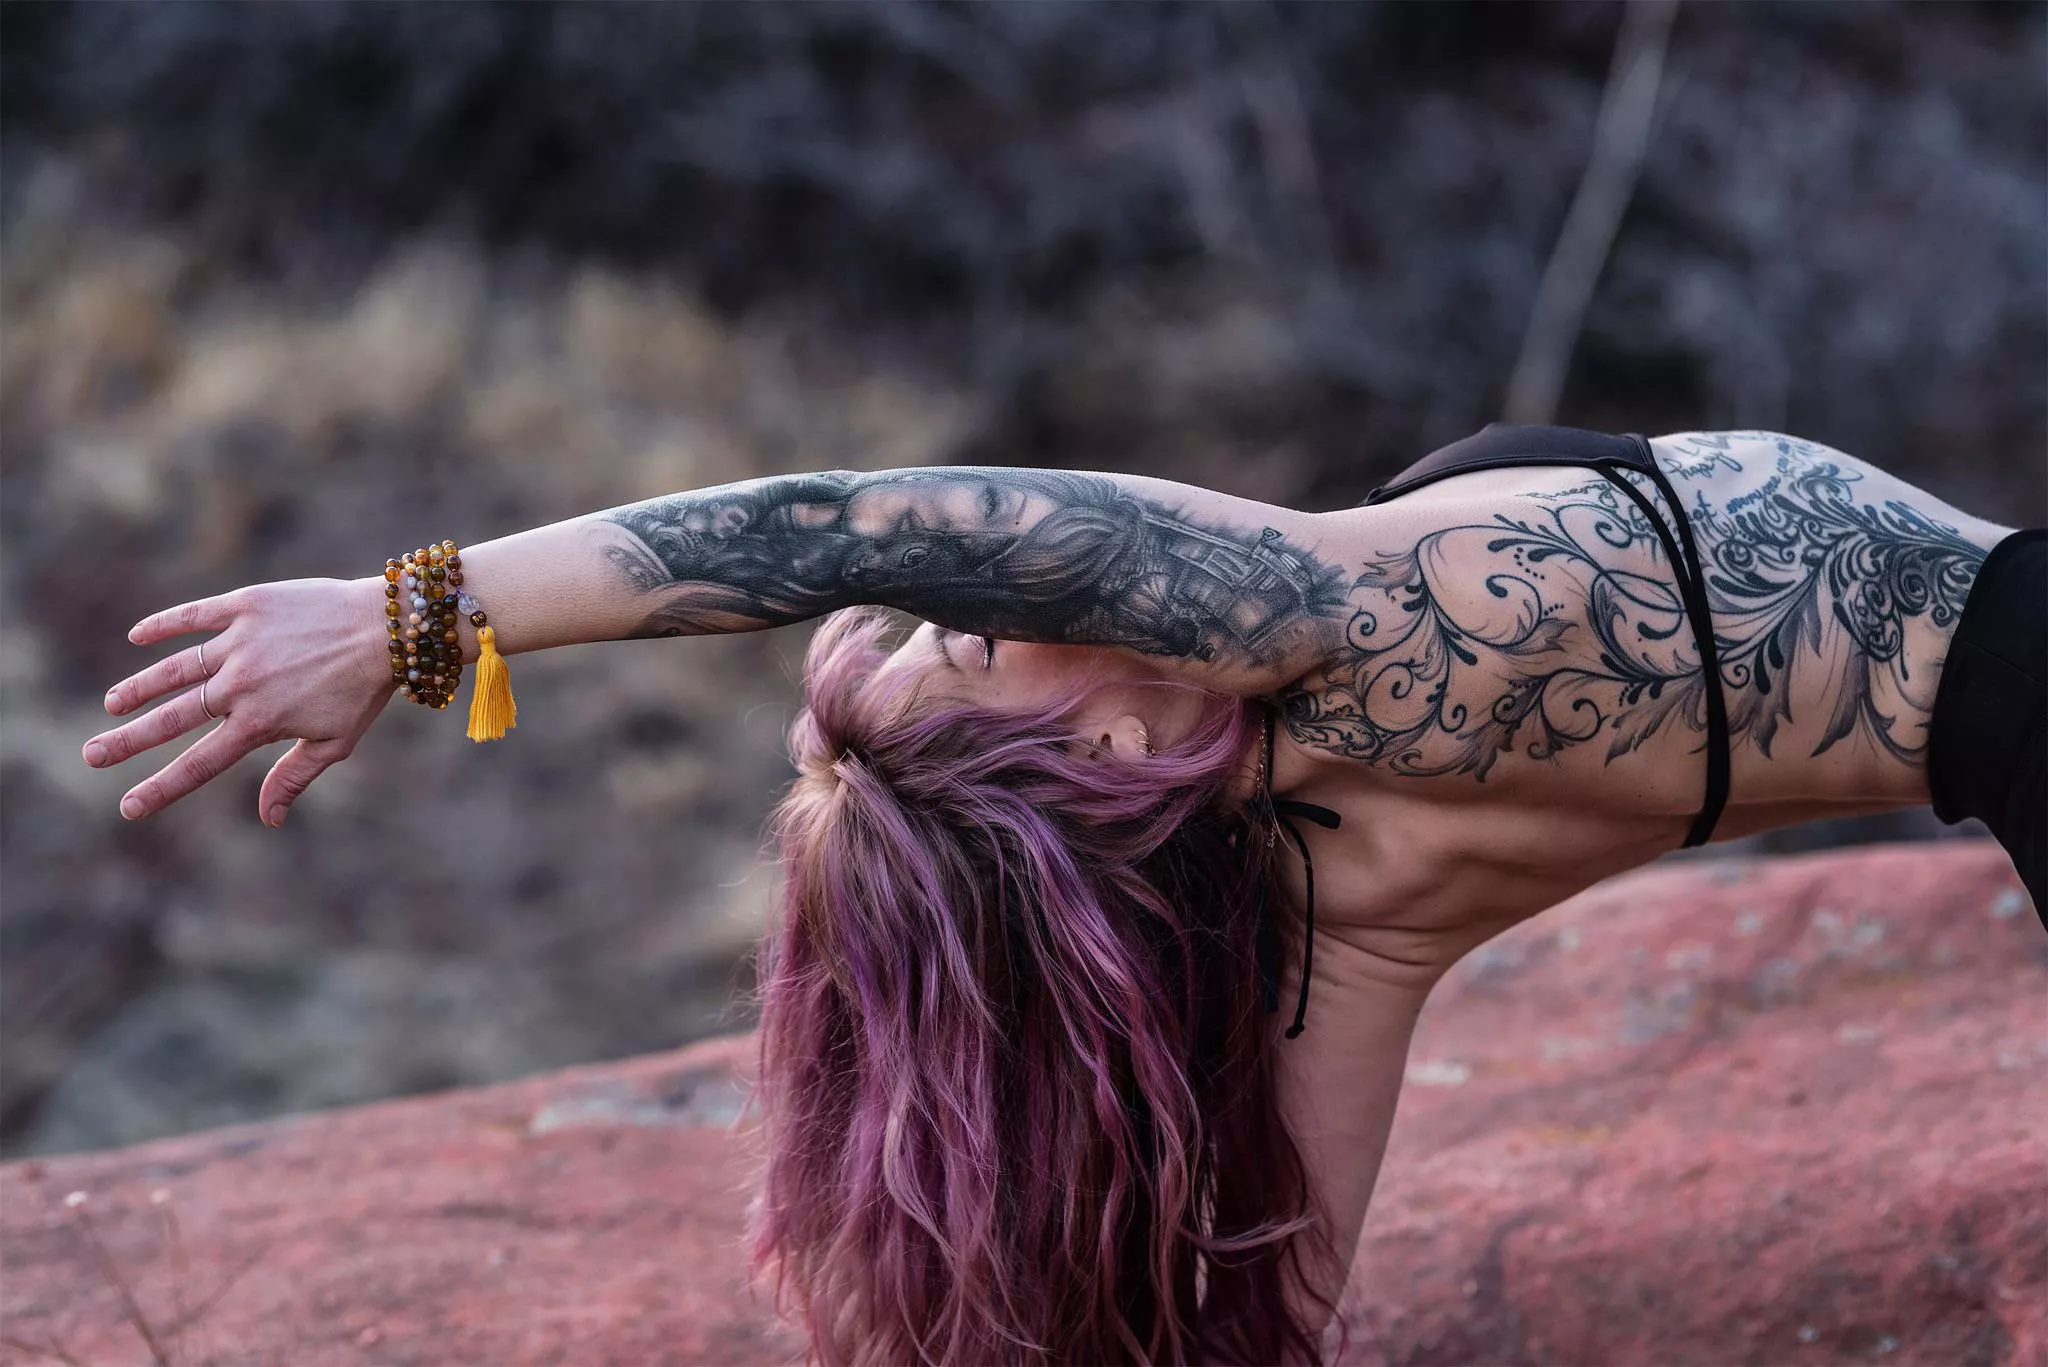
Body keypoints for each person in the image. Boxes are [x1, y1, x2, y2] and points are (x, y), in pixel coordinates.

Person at [84, 425, 2043, 1365]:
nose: (998, 598)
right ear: (1093, 758)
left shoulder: (1324, 929)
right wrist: (408, 615)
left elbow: (1259, 1310)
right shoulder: (1330, 620)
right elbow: (848, 525)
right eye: (984, 637)